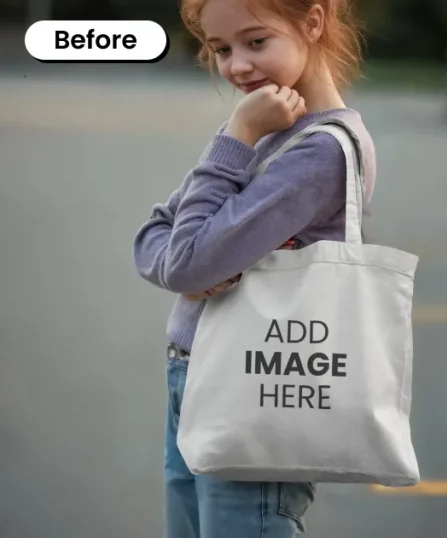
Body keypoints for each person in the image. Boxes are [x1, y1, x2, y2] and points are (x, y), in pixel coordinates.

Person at [132, 0, 374, 535]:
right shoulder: (264, 129)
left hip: (257, 391)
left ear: (313, 22)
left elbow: (186, 264)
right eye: (221, 49)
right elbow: (153, 237)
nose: (237, 65)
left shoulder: (319, 152)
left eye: (255, 41)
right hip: (195, 377)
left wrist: (236, 138)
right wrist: (185, 264)